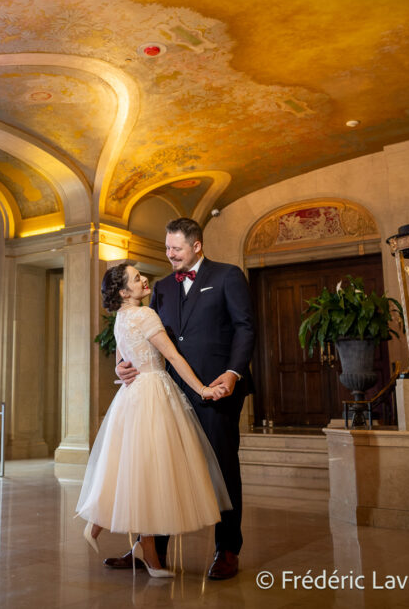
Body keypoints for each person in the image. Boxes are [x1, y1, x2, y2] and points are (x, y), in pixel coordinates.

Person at [104, 217, 254, 580]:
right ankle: (151, 548)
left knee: (222, 465)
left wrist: (233, 373)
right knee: (160, 469)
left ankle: (227, 549)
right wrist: (121, 368)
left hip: (217, 388)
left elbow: (244, 328)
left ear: (197, 245)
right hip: (169, 392)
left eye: (176, 249)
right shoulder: (160, 288)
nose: (169, 254)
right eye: (168, 248)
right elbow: (146, 340)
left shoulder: (228, 275)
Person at [75, 263, 232, 578]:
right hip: (154, 391)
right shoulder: (145, 315)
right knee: (149, 471)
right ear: (124, 292)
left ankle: (133, 545)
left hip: (132, 396)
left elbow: (123, 359)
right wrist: (202, 388)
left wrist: (121, 367)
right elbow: (173, 356)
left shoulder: (120, 318)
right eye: (136, 278)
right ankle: (132, 545)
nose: (144, 279)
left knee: (136, 470)